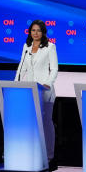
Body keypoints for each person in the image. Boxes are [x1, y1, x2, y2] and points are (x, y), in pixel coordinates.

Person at [14, 20, 59, 162]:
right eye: (33, 30)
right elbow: (22, 68)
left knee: (46, 122)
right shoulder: (26, 47)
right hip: (29, 90)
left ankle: (49, 155)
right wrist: (16, 84)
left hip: (44, 90)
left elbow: (54, 69)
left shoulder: (50, 47)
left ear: (43, 32)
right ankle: (32, 152)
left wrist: (48, 83)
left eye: (38, 30)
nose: (35, 33)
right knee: (30, 122)